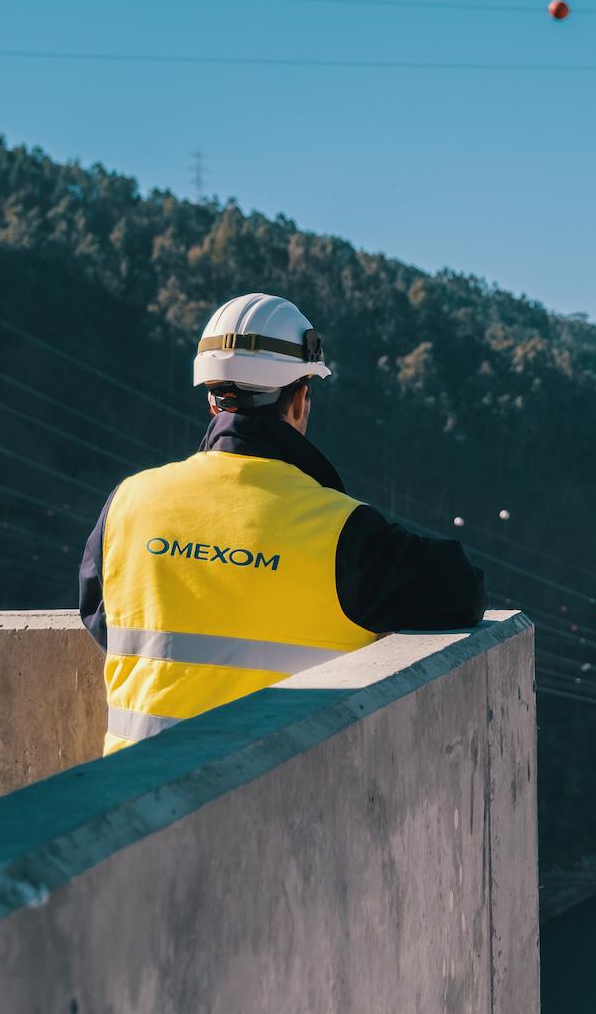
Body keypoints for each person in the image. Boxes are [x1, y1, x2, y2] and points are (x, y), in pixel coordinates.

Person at [77, 292, 487, 753]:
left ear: (214, 402)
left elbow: (100, 617)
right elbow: (462, 589)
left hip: (126, 802)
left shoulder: (127, 501)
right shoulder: (343, 533)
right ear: (299, 400)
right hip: (277, 803)